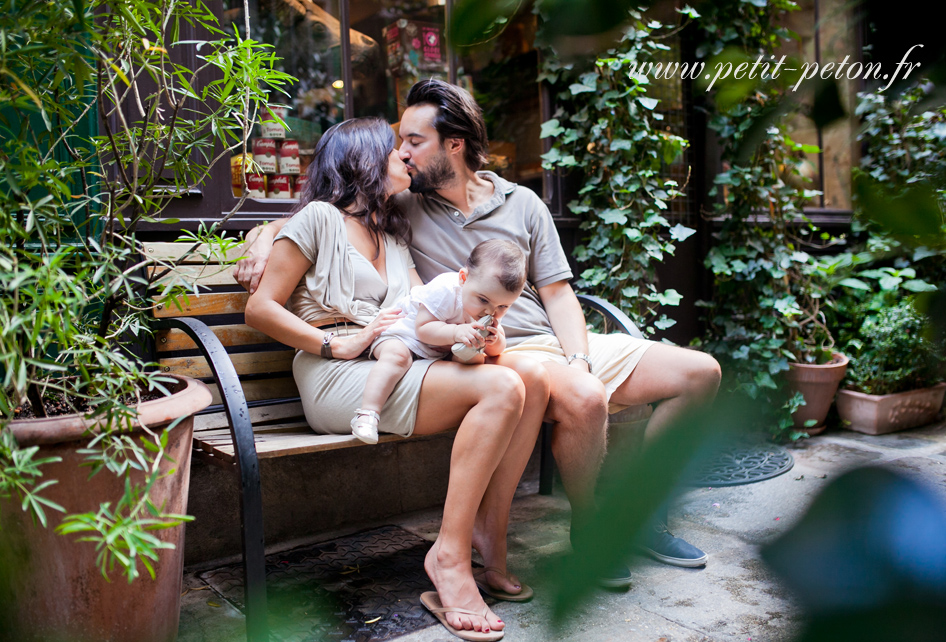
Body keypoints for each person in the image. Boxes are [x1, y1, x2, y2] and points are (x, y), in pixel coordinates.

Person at [236, 81, 722, 586]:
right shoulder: (405, 207)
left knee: (699, 372)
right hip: (492, 346)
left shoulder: (521, 203)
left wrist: (578, 356)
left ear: (454, 144)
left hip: (552, 342)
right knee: (582, 396)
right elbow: (327, 211)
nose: (402, 153)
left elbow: (558, 295)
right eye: (397, 144)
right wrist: (263, 234)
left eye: (414, 141)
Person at [244, 117, 550, 641]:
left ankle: (489, 540)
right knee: (503, 388)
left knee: (531, 378)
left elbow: (419, 312)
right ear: (365, 159)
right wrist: (332, 342)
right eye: (396, 151)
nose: (407, 158)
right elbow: (260, 307)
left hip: (395, 358)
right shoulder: (319, 218)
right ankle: (449, 559)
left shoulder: (392, 235)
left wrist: (478, 332)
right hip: (337, 373)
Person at [352, 239, 527, 444]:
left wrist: (493, 340)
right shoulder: (445, 289)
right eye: (483, 300)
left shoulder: (490, 308)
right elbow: (423, 329)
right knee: (397, 358)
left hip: (438, 349)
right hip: (404, 335)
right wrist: (455, 331)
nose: (490, 311)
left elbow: (498, 350)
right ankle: (367, 414)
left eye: (503, 307)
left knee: (475, 359)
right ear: (463, 278)